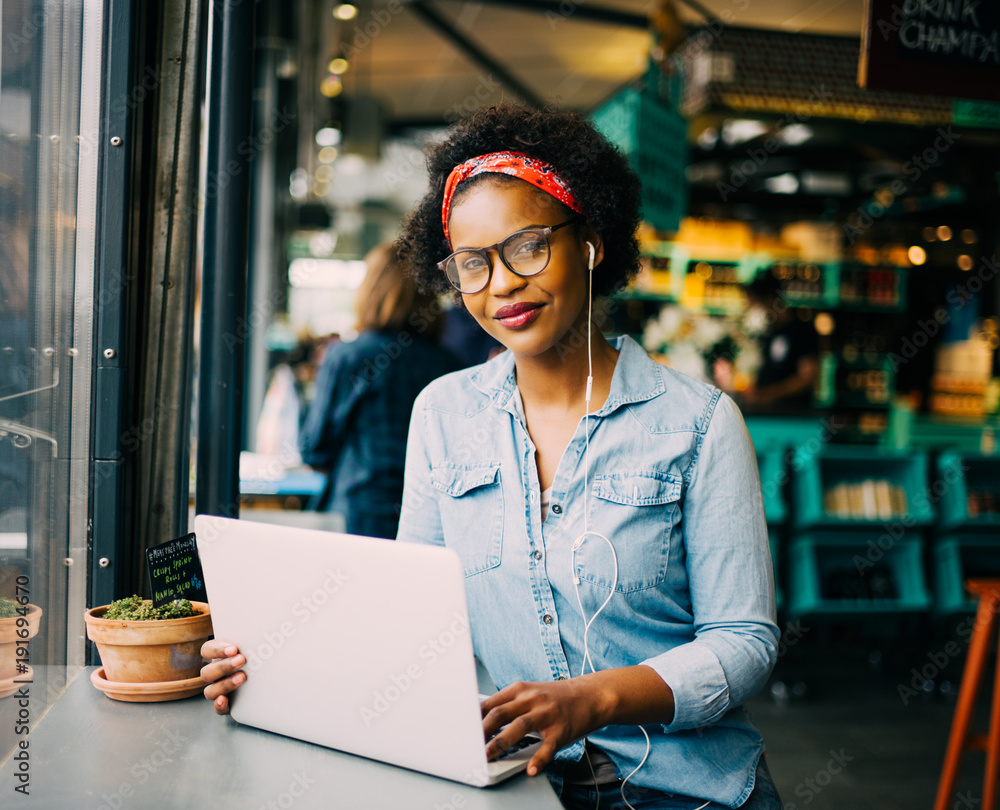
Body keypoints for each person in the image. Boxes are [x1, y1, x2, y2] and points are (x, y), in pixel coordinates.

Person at [202, 106, 781, 810]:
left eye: (528, 247)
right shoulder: (444, 415)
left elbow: (744, 641)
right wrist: (271, 665)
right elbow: (415, 623)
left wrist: (590, 701)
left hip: (681, 789)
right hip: (509, 784)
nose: (501, 284)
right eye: (472, 264)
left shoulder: (697, 422)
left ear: (592, 244)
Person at [296, 242, 461, 539]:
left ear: (370, 291)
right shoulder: (451, 366)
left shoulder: (347, 357)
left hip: (357, 516)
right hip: (431, 520)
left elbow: (314, 449)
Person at [737, 272, 820, 411]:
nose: (752, 311)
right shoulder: (767, 333)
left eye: (755, 304)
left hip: (792, 417)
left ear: (770, 300)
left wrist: (768, 395)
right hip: (765, 415)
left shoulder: (803, 331)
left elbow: (807, 378)